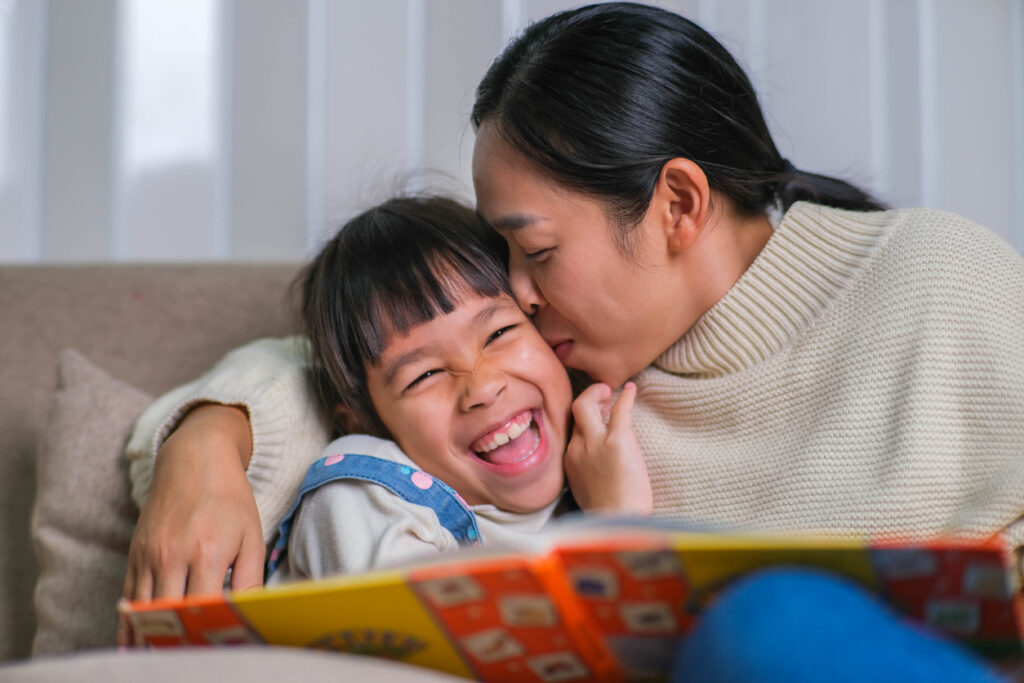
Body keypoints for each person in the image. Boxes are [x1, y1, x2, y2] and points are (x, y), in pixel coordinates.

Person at [121, 3, 1023, 677]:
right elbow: (359, 358)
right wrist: (207, 440)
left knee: (774, 621)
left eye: (536, 251)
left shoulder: (940, 281)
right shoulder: (557, 367)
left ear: (678, 204)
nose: (513, 290)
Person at [259, 194, 648, 582]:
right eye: (424, 375)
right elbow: (426, 635)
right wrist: (616, 526)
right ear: (365, 421)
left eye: (499, 333)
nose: (482, 387)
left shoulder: (591, 464)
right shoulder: (361, 492)